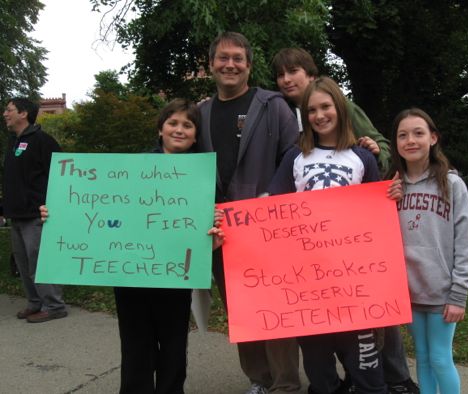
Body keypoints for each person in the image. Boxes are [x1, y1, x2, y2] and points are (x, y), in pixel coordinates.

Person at [40, 98, 225, 394]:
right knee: (136, 343)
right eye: (173, 123)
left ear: (195, 134)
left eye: (188, 125)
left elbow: (210, 230)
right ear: (160, 129)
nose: (180, 129)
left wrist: (213, 234)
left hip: (175, 274)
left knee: (175, 343)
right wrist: (57, 213)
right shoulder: (129, 170)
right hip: (129, 273)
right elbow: (93, 206)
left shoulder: (204, 177)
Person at [272, 48, 419, 394]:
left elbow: (377, 213)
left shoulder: (361, 157)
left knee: (366, 365)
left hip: (356, 282)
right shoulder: (294, 156)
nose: (320, 115)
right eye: (312, 110)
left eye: (326, 107)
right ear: (304, 116)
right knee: (319, 367)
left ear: (340, 108)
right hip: (308, 278)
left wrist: (391, 198)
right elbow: (271, 207)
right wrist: (232, 223)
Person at [197, 32, 301, 394]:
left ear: (249, 66)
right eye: (223, 58)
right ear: (211, 64)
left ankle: (286, 384)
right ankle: (259, 379)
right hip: (221, 231)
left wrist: (273, 199)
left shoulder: (273, 105)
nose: (230, 64)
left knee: (277, 307)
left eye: (238, 58)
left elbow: (295, 158)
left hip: (268, 227)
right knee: (241, 311)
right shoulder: (201, 113)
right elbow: (177, 162)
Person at [388, 108, 468, 394]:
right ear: (396, 143)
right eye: (403, 135)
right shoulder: (391, 187)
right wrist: (385, 201)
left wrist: (459, 293)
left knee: (440, 358)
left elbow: (466, 243)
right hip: (408, 293)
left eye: (418, 133)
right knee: (423, 359)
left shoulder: (452, 184)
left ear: (433, 138)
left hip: (442, 291)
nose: (410, 140)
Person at [271, 48, 390, 173]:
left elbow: (382, 146)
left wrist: (378, 153)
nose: (286, 80)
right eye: (280, 75)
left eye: (293, 71)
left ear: (311, 75)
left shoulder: (341, 106)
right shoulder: (278, 112)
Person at [2, 97, 67, 323]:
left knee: (40, 261)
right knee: (23, 263)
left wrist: (53, 205)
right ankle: (35, 302)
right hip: (16, 215)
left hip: (36, 215)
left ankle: (55, 305)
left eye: (9, 110)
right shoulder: (13, 142)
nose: (5, 114)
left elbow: (60, 176)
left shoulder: (43, 141)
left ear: (23, 114)